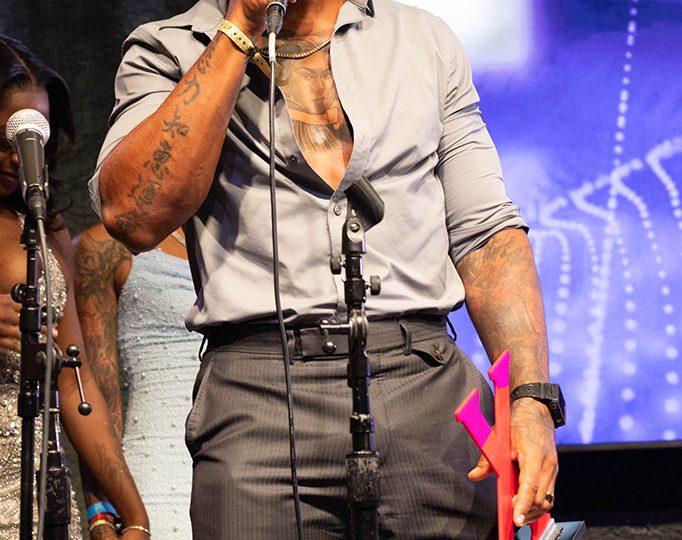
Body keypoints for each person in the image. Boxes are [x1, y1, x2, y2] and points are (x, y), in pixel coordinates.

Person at [90, 0, 559, 538]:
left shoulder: (423, 40)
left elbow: (487, 234)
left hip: (424, 386)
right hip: (259, 398)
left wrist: (530, 399)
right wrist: (240, 28)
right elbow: (132, 216)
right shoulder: (169, 48)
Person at [0, 35, 149, 538]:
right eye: (6, 138)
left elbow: (74, 380)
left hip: (37, 491)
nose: (19, 158)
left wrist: (132, 513)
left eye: (33, 139)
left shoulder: (46, 226)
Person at [73, 222, 200, 538]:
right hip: (158, 477)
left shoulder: (247, 239)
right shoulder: (104, 247)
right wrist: (101, 514)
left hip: (247, 470)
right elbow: (96, 395)